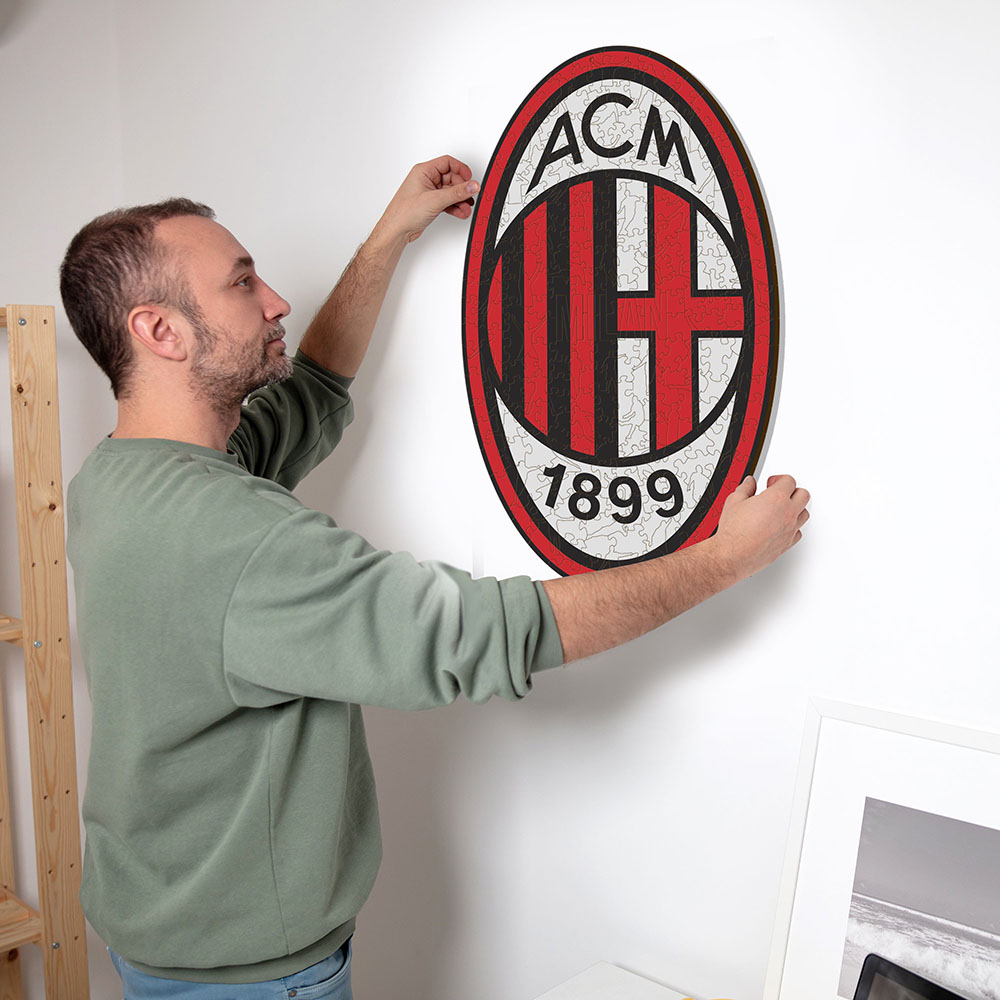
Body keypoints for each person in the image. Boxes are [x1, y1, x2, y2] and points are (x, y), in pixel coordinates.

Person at [60, 155, 809, 999]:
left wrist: (391, 234)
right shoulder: (231, 538)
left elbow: (309, 389)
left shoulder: (117, 480)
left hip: (164, 939)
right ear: (160, 331)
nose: (275, 301)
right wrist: (722, 561)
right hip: (251, 981)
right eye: (241, 283)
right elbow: (483, 633)